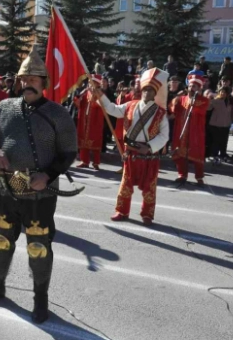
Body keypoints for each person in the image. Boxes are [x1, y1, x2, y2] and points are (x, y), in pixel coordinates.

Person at [0, 46, 77, 323]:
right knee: (2, 239)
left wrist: (48, 175)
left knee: (38, 246)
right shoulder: (5, 107)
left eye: (33, 79)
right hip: (6, 187)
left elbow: (68, 152)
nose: (27, 83)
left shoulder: (58, 113)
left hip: (38, 191)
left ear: (43, 82)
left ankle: (40, 299)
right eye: (23, 79)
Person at [94, 68, 170, 226]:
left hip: (149, 155)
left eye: (150, 90)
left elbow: (164, 136)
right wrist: (101, 95)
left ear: (155, 92)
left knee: (150, 187)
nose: (147, 92)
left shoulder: (160, 113)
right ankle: (122, 210)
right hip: (132, 154)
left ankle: (147, 214)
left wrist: (149, 147)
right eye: (145, 89)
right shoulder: (130, 105)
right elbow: (113, 110)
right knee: (125, 185)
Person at [170, 74, 209, 187]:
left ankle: (199, 177)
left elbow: (200, 111)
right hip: (181, 130)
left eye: (194, 86)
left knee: (197, 154)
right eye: (190, 86)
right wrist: (174, 101)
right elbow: (173, 110)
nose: (191, 88)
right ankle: (182, 174)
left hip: (195, 132)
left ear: (199, 88)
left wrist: (193, 101)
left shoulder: (204, 100)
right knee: (180, 154)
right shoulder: (182, 99)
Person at [74, 75, 105, 170]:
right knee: (83, 139)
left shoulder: (100, 93)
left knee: (95, 140)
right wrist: (79, 97)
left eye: (92, 83)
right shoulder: (85, 92)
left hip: (94, 120)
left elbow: (100, 105)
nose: (90, 84)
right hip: (84, 119)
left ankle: (96, 162)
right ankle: (84, 161)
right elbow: (78, 103)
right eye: (89, 83)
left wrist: (94, 98)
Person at [206, 86, 233, 165]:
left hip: (226, 124)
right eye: (221, 92)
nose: (222, 93)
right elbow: (208, 108)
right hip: (216, 124)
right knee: (216, 141)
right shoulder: (215, 100)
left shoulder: (229, 101)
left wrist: (231, 120)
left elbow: (231, 111)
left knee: (224, 141)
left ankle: (223, 154)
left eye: (224, 92)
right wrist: (209, 99)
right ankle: (214, 155)